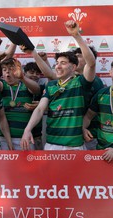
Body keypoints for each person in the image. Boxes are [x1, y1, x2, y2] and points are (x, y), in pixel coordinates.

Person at [20, 20, 96, 150]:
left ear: (73, 67)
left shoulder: (81, 82)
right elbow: (39, 109)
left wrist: (76, 35)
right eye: (57, 63)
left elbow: (91, 63)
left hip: (74, 146)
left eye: (63, 63)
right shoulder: (51, 85)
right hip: (51, 144)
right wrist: (27, 130)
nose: (58, 66)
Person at [0, 57, 40, 150]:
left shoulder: (26, 84)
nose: (7, 72)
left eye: (11, 69)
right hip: (4, 139)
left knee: (28, 165)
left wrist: (22, 77)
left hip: (25, 138)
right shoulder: (2, 85)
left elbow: (36, 89)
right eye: (4, 69)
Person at [73, 46, 105, 150]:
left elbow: (94, 111)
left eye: (79, 56)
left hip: (89, 134)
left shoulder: (95, 81)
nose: (75, 58)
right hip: (70, 134)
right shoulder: (68, 80)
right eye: (74, 56)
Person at [23, 62, 45, 150]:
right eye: (31, 73)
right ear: (24, 74)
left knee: (38, 162)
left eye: (37, 73)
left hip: (37, 135)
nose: (35, 75)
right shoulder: (17, 87)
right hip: (19, 134)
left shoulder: (42, 88)